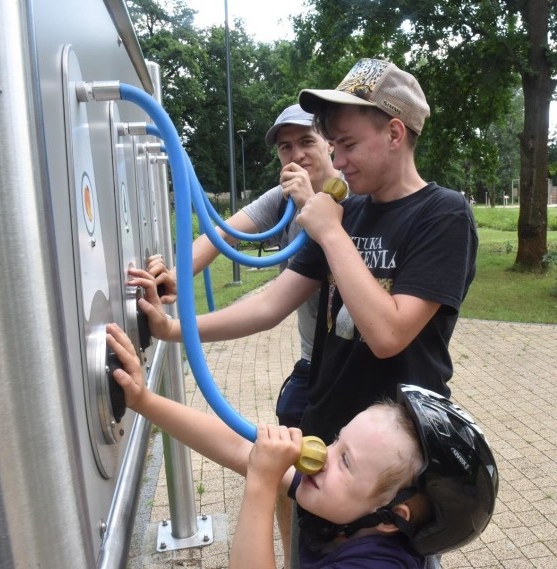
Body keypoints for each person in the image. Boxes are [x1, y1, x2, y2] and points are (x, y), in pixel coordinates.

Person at [130, 58, 477, 567]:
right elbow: (271, 304)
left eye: (348, 144)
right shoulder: (348, 210)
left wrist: (331, 232)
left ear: (396, 133)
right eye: (333, 145)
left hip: (390, 467)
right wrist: (176, 329)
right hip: (327, 440)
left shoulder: (441, 215)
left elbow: (389, 334)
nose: (338, 158)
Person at [105, 322, 498, 569]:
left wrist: (261, 486)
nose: (324, 455)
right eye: (337, 440)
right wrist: (143, 401)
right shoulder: (343, 502)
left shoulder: (376, 563)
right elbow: (240, 450)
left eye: (346, 461)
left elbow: (256, 471)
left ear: (388, 516)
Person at [146, 103, 342, 560]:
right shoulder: (283, 198)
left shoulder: (349, 196)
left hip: (356, 365)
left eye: (307, 142)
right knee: (287, 479)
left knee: (345, 491)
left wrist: (311, 204)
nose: (295, 155)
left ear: (330, 142)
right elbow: (222, 235)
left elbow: (272, 306)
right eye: (285, 147)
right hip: (314, 364)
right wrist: (173, 275)